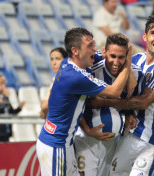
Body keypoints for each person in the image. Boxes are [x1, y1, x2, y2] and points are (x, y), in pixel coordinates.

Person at [36, 27, 132, 176]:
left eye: (94, 44)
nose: (94, 49)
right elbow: (115, 92)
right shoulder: (76, 77)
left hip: (64, 143)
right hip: (55, 146)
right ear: (75, 51)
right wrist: (128, 59)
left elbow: (75, 107)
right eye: (90, 46)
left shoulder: (70, 62)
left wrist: (87, 129)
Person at [89, 15, 154, 176]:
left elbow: (143, 102)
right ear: (145, 37)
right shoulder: (135, 60)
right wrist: (128, 113)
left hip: (150, 141)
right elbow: (126, 92)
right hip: (129, 135)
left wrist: (101, 103)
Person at [74, 33, 143, 176]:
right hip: (87, 139)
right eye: (112, 56)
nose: (116, 62)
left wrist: (129, 113)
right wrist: (87, 130)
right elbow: (75, 104)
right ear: (104, 52)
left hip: (113, 142)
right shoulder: (91, 69)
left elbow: (131, 95)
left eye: (121, 57)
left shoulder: (135, 72)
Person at [40, 47, 68, 119]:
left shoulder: (64, 79)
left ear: (66, 61)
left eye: (58, 59)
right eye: (52, 59)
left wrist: (44, 110)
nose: (54, 63)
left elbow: (44, 106)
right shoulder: (55, 79)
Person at [0, 74, 25, 142]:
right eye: (1, 84)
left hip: (6, 132)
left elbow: (11, 112)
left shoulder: (4, 98)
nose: (4, 86)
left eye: (4, 84)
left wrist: (19, 107)